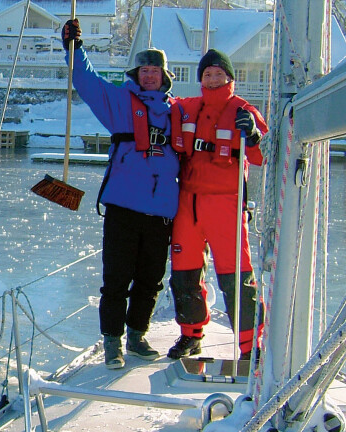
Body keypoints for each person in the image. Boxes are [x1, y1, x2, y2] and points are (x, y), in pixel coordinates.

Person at [61, 19, 180, 369]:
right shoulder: (120, 103)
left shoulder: (179, 112)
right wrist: (74, 49)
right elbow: (87, 82)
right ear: (136, 74)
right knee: (116, 279)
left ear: (164, 77)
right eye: (143, 70)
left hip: (161, 212)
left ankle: (137, 336)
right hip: (123, 208)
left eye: (154, 71)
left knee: (150, 280)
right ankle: (112, 342)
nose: (148, 76)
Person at [167, 49, 268, 360]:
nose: (212, 78)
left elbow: (264, 156)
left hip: (226, 203)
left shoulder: (243, 110)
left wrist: (251, 135)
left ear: (229, 78)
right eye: (207, 74)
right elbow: (151, 105)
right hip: (188, 202)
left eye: (218, 73)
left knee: (235, 274)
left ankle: (251, 346)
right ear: (200, 79)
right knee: (185, 272)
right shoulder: (186, 108)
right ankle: (191, 334)